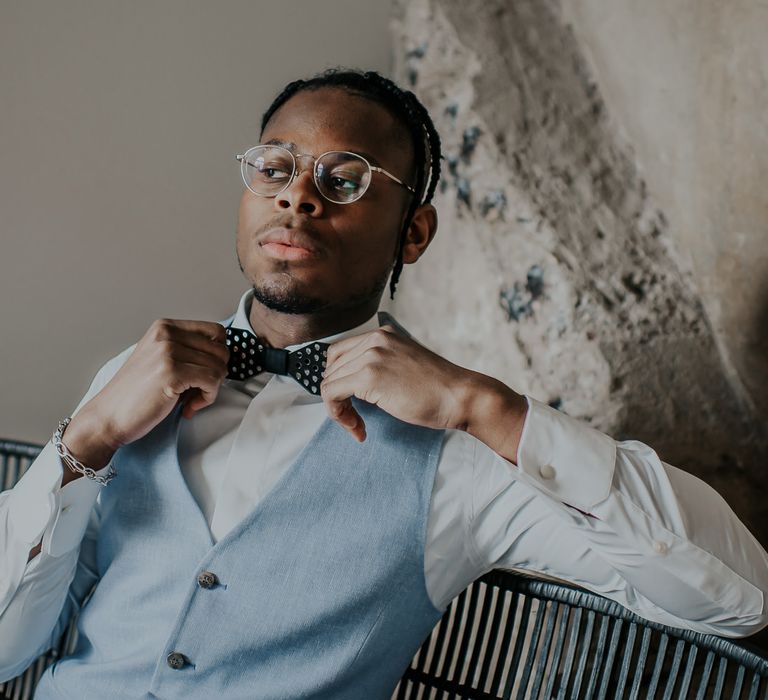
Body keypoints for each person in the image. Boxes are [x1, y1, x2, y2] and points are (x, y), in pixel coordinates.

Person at [0, 68, 766, 699]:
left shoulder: (461, 455)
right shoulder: (130, 384)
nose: (297, 196)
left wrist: (485, 406)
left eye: (345, 180)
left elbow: (739, 597)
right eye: (274, 168)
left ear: (414, 233)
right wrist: (87, 439)